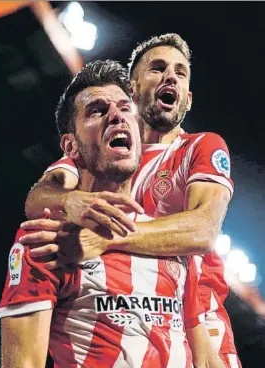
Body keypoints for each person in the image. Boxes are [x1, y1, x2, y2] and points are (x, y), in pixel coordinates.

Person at [18, 34, 241, 367]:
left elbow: (203, 231)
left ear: (189, 99)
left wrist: (105, 237)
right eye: (158, 68)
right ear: (133, 90)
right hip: (121, 314)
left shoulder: (199, 148)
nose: (171, 78)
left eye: (180, 73)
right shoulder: (110, 153)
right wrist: (74, 201)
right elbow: (39, 198)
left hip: (196, 323)